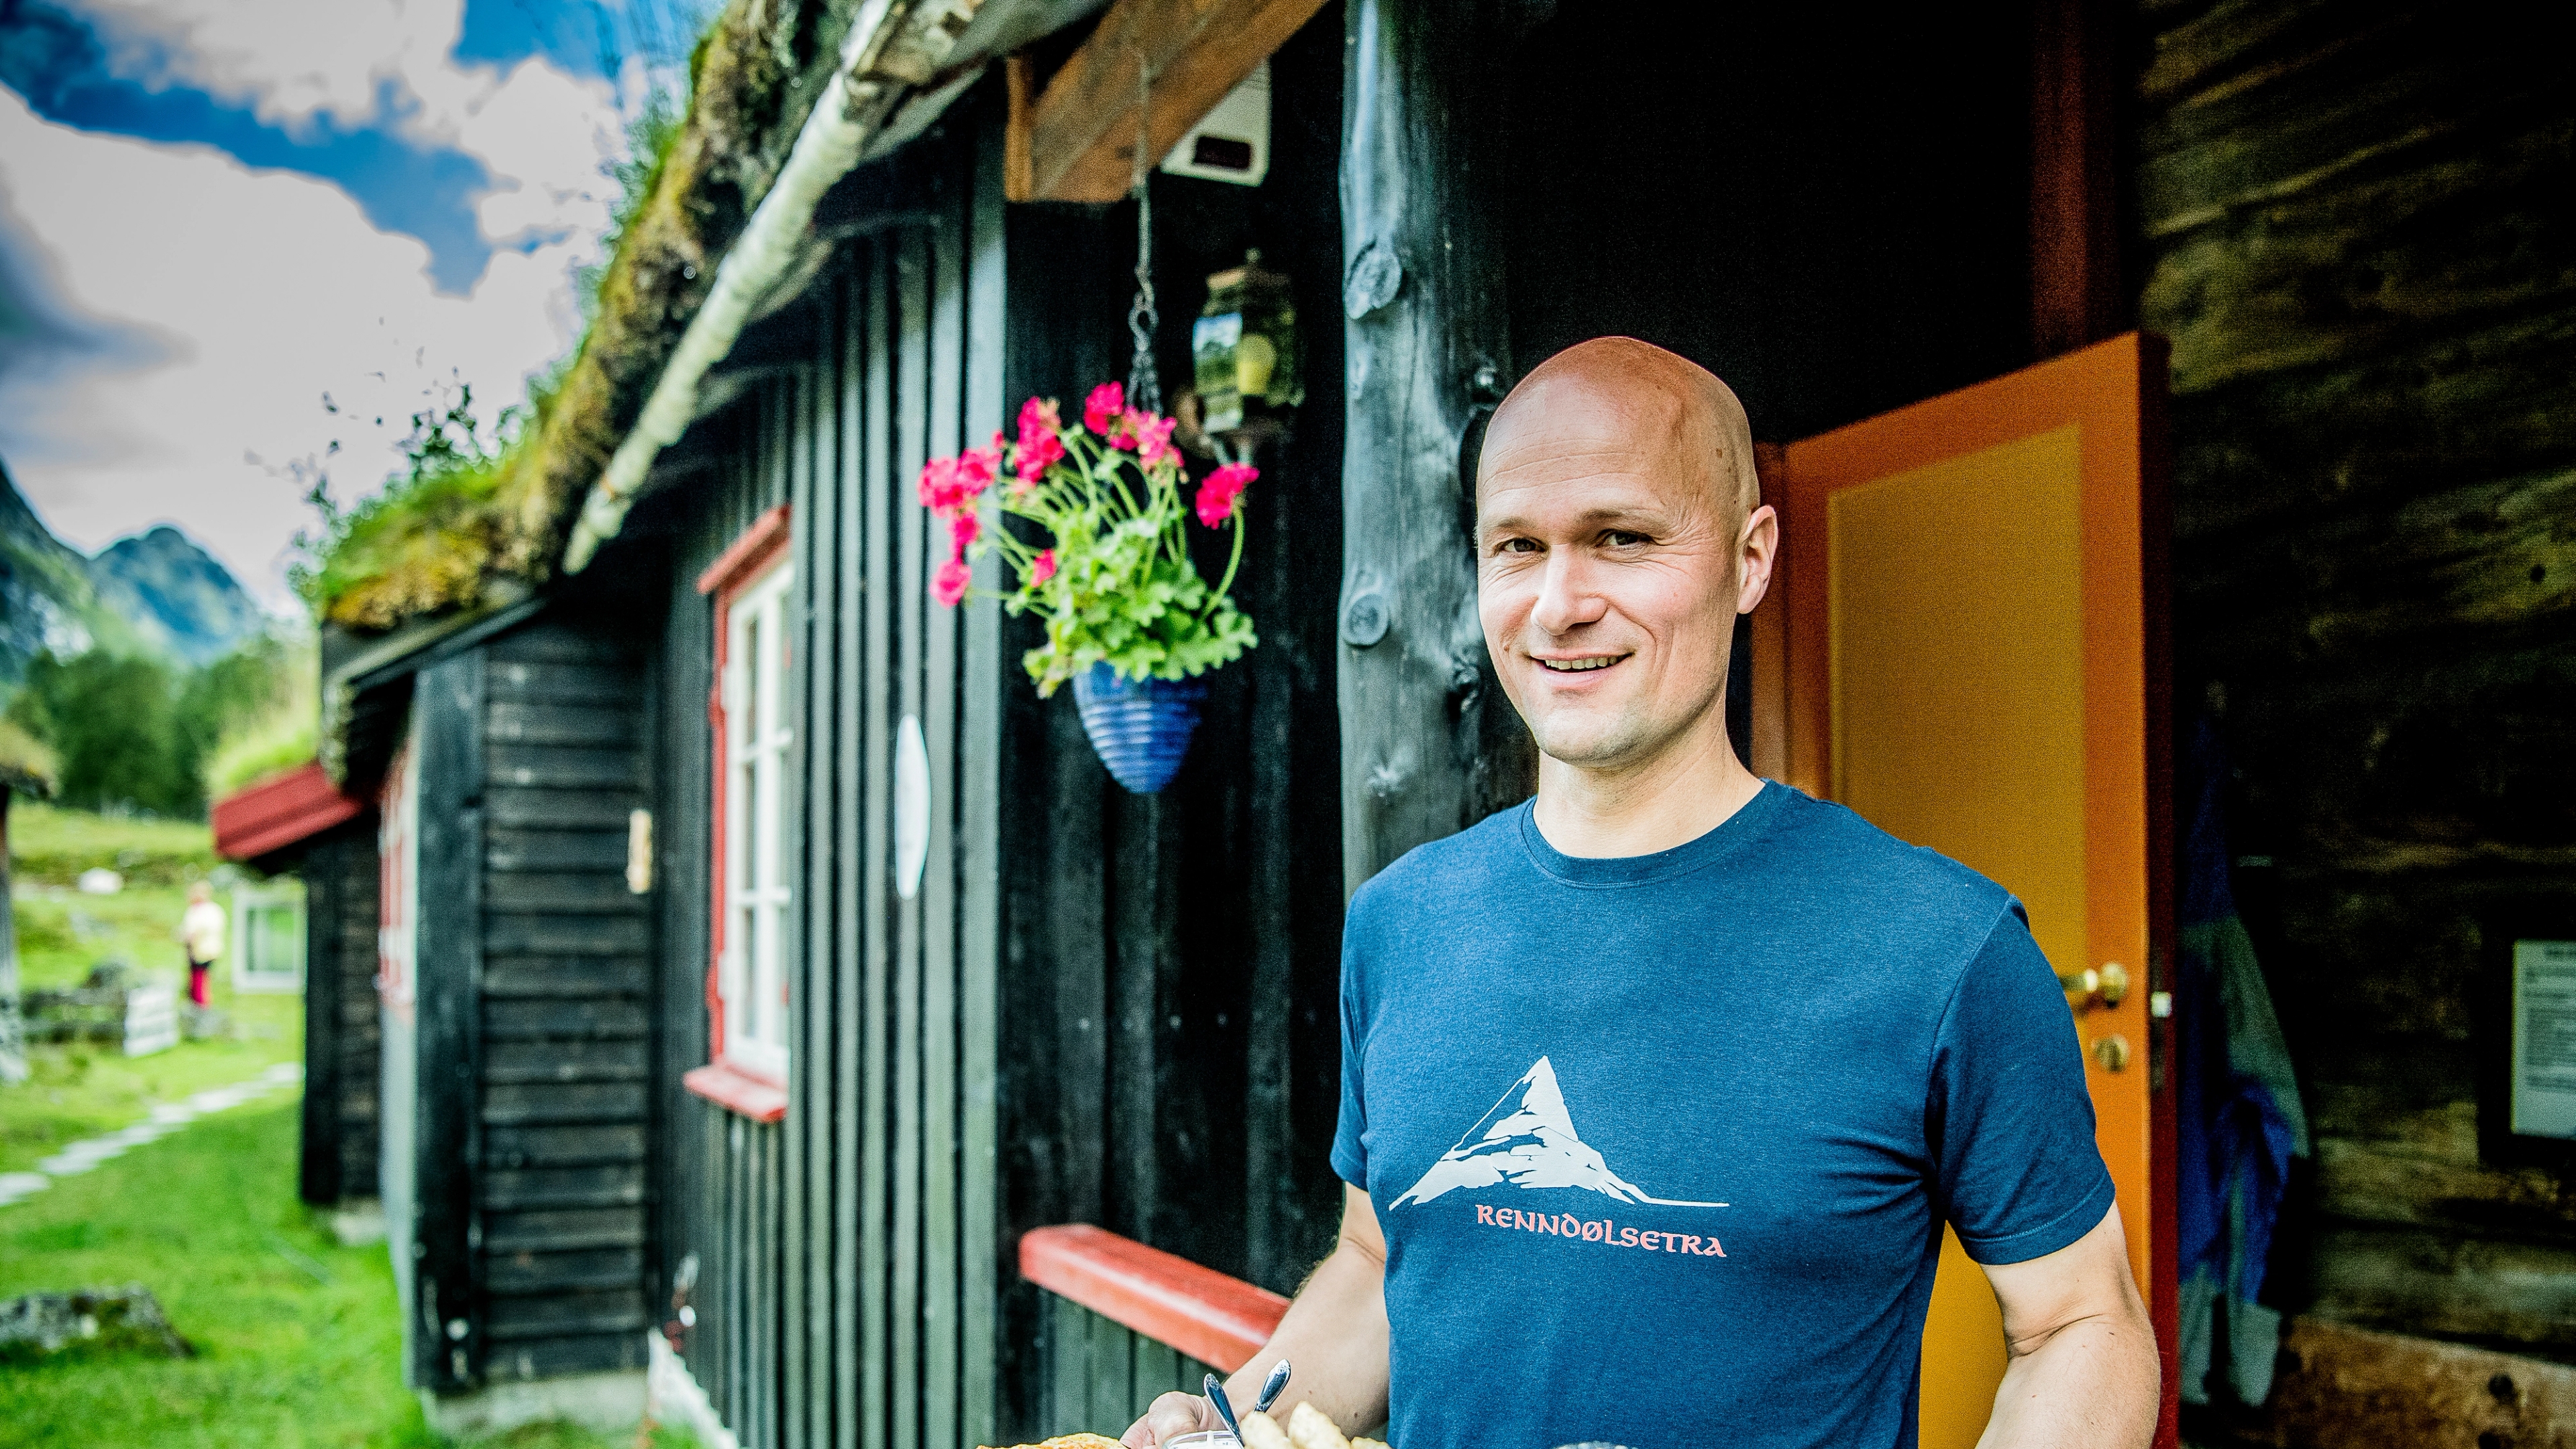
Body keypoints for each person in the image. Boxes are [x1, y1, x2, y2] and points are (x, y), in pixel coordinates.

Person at [1125, 338, 2158, 1449]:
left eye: (1621, 539)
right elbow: (1381, 1263)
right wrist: (1233, 1423)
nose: (1561, 603)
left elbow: (2080, 1323)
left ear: (1751, 557)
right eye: (1517, 548)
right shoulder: (1403, 922)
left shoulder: (1941, 950)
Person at [180, 881, 225, 1009]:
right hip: (193, 950)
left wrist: (194, 935)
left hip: (205, 951)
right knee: (194, 979)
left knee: (201, 980)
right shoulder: (193, 910)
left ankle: (202, 1007)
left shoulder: (211, 910)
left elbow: (208, 928)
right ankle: (194, 1006)